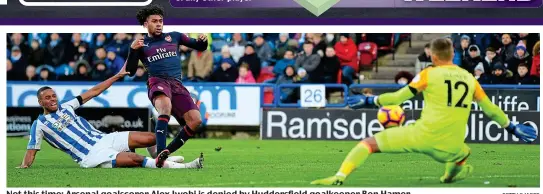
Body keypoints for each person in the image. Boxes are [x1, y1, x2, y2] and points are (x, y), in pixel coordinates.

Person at [310, 38, 537, 186]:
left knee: (367, 144)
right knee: (464, 152)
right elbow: (490, 110)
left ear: (433, 57)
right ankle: (449, 175)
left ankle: (339, 177)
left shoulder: (429, 74)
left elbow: (399, 98)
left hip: (419, 136)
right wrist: (512, 126)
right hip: (451, 145)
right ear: (452, 54)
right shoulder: (470, 78)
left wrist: (371, 99)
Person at [18, 65, 203, 169]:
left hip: (104, 138)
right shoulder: (39, 124)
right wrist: (24, 166)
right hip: (91, 155)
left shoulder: (66, 105)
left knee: (152, 137)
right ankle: (184, 166)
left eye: (53, 96)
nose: (52, 100)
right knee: (136, 160)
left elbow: (95, 91)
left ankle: (161, 158)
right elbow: (32, 150)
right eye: (47, 98)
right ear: (40, 102)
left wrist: (117, 76)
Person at [126, 4, 209, 168]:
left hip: (177, 84)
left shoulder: (175, 36)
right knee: (165, 106)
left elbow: (200, 46)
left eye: (161, 21)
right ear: (145, 24)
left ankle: (165, 153)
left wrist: (203, 41)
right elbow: (130, 71)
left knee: (195, 120)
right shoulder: (141, 44)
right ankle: (160, 153)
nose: (158, 24)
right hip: (157, 81)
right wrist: (132, 50)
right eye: (154, 21)